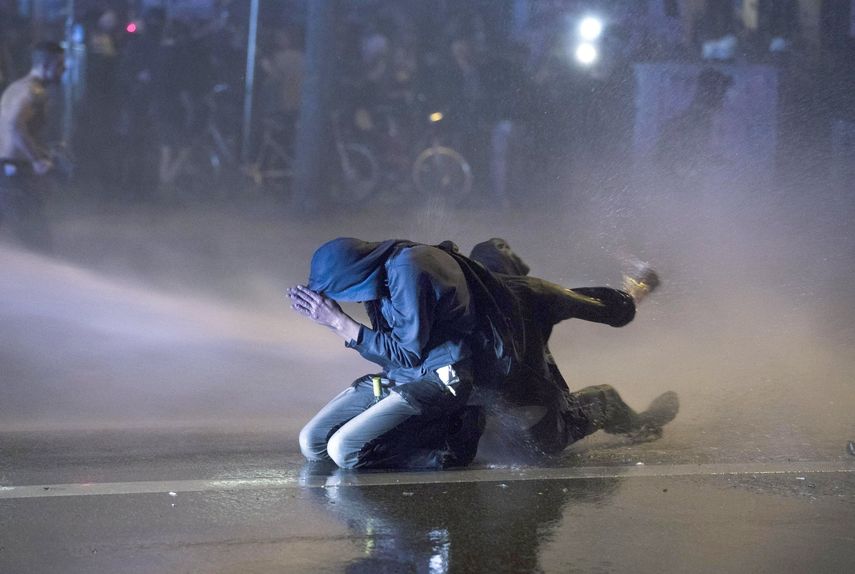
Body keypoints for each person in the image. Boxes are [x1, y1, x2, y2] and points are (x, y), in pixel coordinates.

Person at [468, 238, 679, 456]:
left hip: (476, 437)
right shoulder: (532, 290)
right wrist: (640, 288)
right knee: (606, 399)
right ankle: (644, 426)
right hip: (537, 431)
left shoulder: (459, 302)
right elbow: (613, 309)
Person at [289, 238, 486, 470]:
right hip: (402, 375)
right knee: (312, 442)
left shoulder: (406, 267)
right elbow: (391, 356)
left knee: (344, 450)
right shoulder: (377, 279)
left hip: (442, 376)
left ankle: (451, 440)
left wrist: (339, 322)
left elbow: (406, 353)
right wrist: (331, 323)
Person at [0, 41, 65, 251]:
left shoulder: (15, 87)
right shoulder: (35, 92)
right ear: (48, 64)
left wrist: (42, 153)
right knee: (40, 245)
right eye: (61, 65)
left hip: (6, 173)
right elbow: (15, 126)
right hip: (15, 177)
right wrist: (37, 161)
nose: (63, 71)